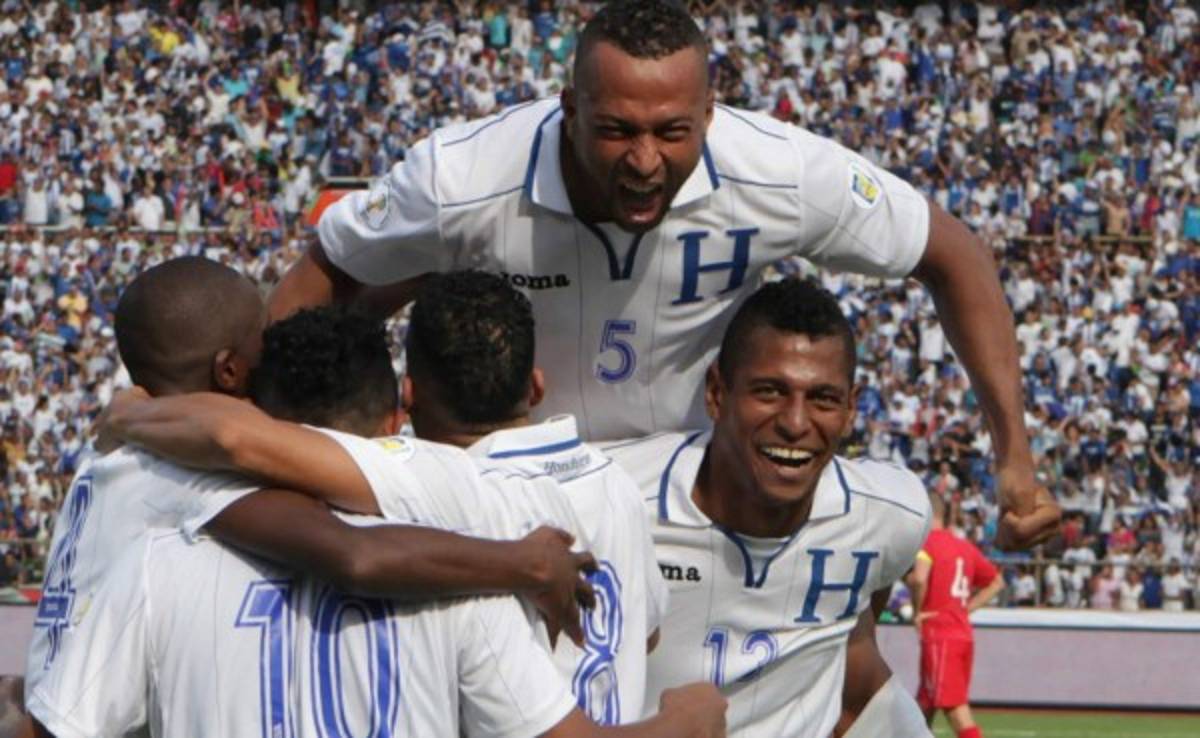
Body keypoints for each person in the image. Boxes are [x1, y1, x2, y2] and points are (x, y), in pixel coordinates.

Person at [271, 4, 1056, 728]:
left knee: (843, 664)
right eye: (616, 130)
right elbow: (329, 272)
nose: (646, 160)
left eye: (674, 132)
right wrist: (301, 432)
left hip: (694, 509)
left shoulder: (777, 171)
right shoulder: (462, 179)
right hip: (522, 519)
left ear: (710, 115)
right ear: (567, 108)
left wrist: (1014, 458)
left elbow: (952, 252)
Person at [25, 305, 725, 738]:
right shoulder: (466, 567)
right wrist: (686, 722)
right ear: (399, 420)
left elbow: (63, 724)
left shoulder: (159, 562)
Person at [598, 279, 932, 736]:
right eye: (770, 392)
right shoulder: (611, 498)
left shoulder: (892, 514)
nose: (796, 423)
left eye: (823, 399)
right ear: (716, 392)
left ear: (851, 409)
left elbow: (857, 630)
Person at [908, 491, 1004, 738]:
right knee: (924, 705)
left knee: (954, 709)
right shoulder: (964, 547)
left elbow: (919, 578)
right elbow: (996, 582)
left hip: (940, 634)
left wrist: (917, 612)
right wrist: (966, 608)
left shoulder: (927, 544)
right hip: (962, 634)